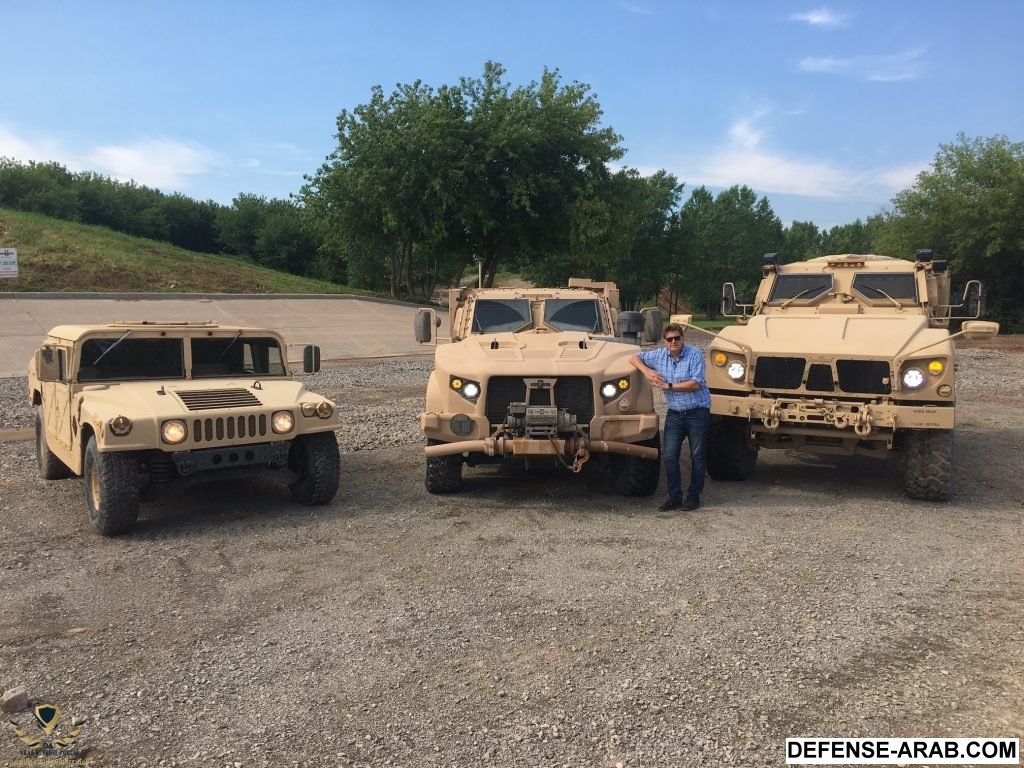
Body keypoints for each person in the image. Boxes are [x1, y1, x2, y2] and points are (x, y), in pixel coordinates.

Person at [629, 323, 711, 511]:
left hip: (697, 413)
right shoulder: (659, 355)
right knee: (670, 456)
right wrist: (647, 371)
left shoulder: (694, 354)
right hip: (675, 414)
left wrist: (668, 386)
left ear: (683, 339)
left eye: (677, 338)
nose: (673, 342)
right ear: (665, 341)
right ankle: (674, 497)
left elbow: (696, 383)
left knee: (697, 456)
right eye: (670, 339)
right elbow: (633, 357)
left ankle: (693, 496)